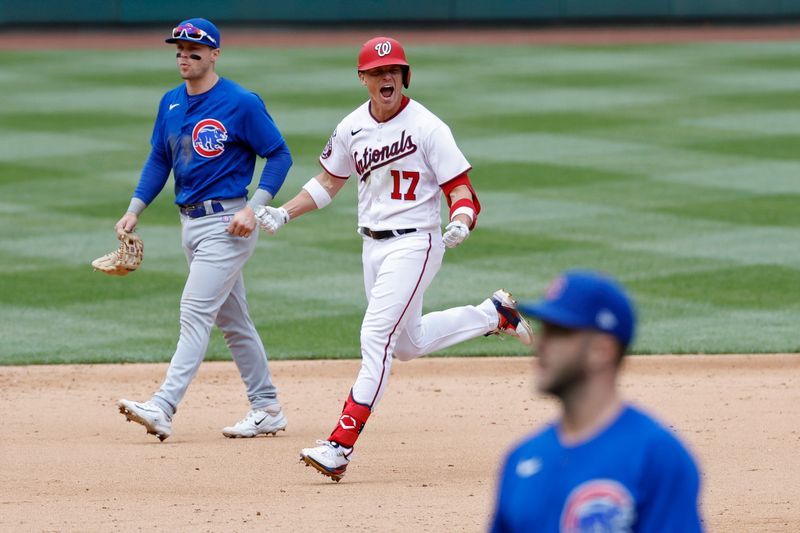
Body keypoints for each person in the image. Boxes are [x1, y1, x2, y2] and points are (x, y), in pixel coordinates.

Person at [255, 36, 534, 481]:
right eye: (378, 72)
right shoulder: (351, 127)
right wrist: (283, 213)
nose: (388, 79)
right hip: (373, 247)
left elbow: (460, 188)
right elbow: (329, 181)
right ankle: (493, 314)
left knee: (376, 337)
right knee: (406, 344)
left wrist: (462, 218)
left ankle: (339, 446)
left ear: (404, 76)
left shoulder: (428, 127)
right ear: (363, 78)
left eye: (395, 71)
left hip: (416, 243)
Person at [115, 18, 292, 441]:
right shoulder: (171, 103)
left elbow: (279, 154)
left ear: (214, 54)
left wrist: (255, 208)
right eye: (179, 49)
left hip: (227, 225)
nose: (185, 56)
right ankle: (266, 406)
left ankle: (164, 405)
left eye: (195, 50)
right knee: (234, 322)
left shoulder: (241, 102)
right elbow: (160, 159)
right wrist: (134, 209)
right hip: (189, 225)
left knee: (194, 312)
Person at [490, 270, 704, 532]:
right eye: (544, 330)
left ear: (602, 350)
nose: (541, 345)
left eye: (559, 333)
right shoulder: (521, 458)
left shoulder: (655, 457)